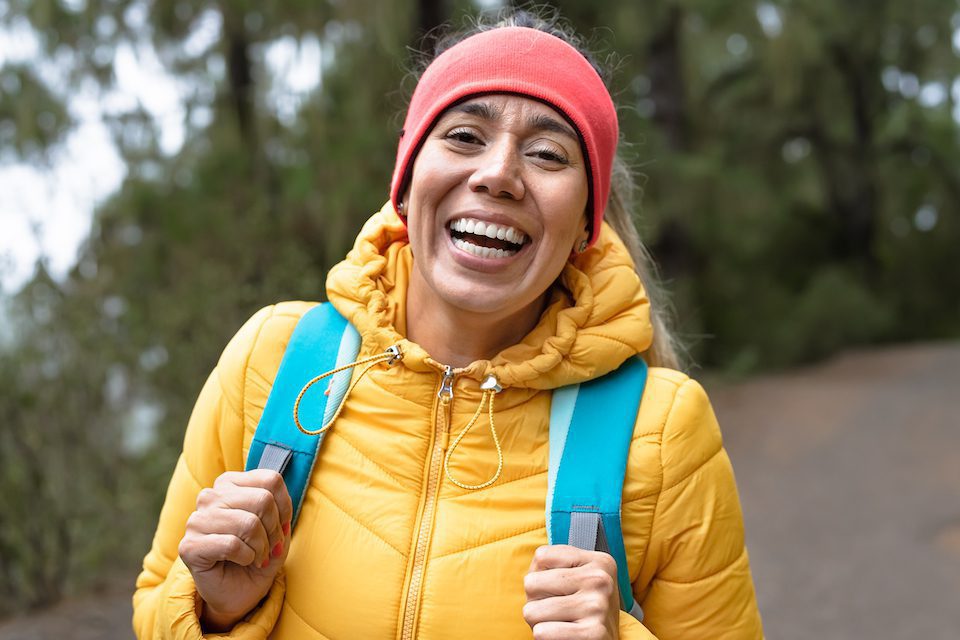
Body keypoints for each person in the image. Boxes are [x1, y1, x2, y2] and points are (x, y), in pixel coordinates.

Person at [133, 10, 764, 640]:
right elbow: (158, 601)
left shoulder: (663, 430)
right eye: (464, 136)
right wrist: (216, 609)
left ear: (584, 227)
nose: (498, 174)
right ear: (406, 184)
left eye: (548, 154)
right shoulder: (272, 361)